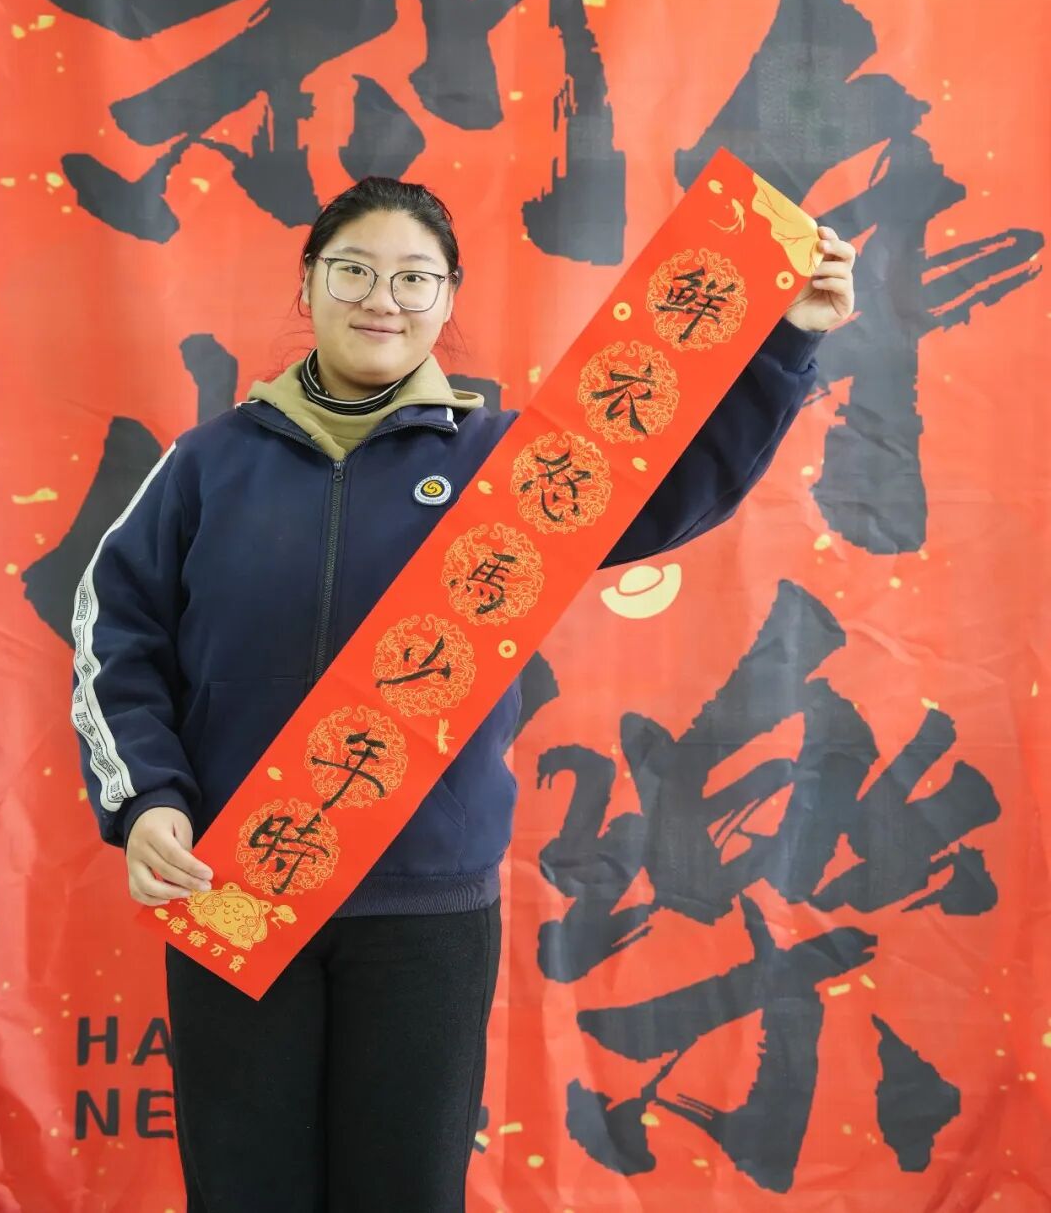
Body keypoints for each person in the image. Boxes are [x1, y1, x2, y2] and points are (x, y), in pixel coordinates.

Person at [72, 175, 856, 1213]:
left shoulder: (507, 466)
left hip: (429, 904)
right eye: (353, 271)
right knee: (243, 1189)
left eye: (414, 277)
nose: (381, 299)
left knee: (406, 1191)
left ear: (448, 299)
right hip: (237, 880)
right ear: (307, 284)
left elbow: (676, 485)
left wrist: (789, 341)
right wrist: (147, 798)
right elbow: (116, 634)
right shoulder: (204, 466)